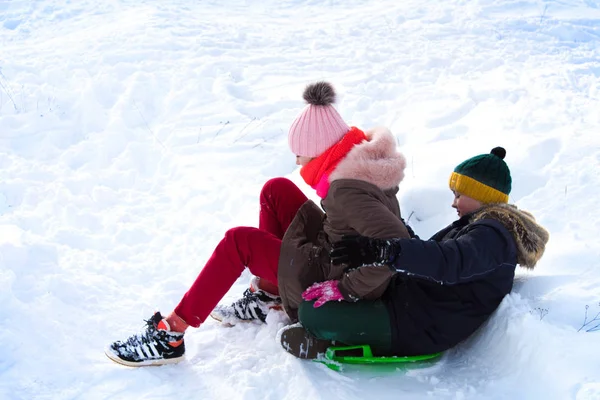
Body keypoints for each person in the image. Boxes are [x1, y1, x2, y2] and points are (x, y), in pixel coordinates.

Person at [105, 81, 412, 367]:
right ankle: (269, 292)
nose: (297, 162)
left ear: (321, 150)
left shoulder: (346, 189)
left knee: (239, 241)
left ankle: (170, 334)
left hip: (330, 275)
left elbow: (398, 246)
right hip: (336, 250)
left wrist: (345, 289)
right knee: (276, 190)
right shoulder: (359, 162)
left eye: (301, 153)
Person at [279, 147, 550, 359]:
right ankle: (337, 329)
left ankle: (328, 340)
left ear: (482, 195)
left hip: (418, 326)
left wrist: (385, 250)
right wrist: (404, 235)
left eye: (459, 195)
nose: (453, 202)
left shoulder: (493, 236)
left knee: (312, 313)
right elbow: (436, 256)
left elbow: (449, 262)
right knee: (319, 304)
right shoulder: (478, 228)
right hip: (411, 306)